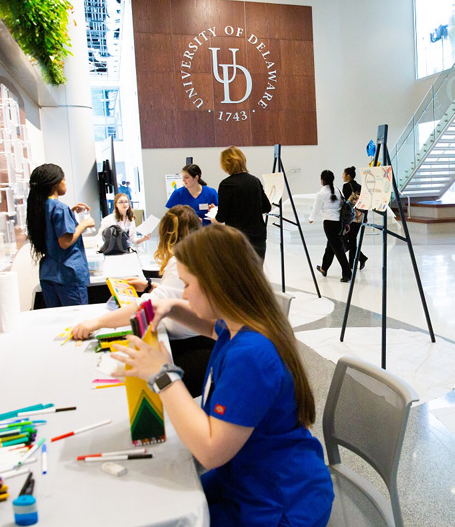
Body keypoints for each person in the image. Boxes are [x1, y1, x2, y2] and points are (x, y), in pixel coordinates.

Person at [111, 225, 334, 526]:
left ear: (216, 285)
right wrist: (172, 307)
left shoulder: (251, 355)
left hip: (277, 504)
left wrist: (163, 376)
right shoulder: (241, 325)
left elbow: (210, 452)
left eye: (188, 285)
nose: (185, 293)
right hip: (249, 478)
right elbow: (208, 327)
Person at [72, 205, 210, 397]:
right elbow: (172, 295)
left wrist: (97, 323)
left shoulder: (181, 260)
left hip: (192, 347)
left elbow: (151, 306)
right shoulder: (197, 256)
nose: (186, 295)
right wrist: (148, 287)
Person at [26, 164, 95, 307]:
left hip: (49, 273)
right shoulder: (59, 208)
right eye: (64, 180)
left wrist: (70, 212)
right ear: (55, 183)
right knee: (77, 320)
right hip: (67, 274)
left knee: (58, 320)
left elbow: (51, 229)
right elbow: (65, 242)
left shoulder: (39, 206)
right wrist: (84, 224)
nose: (65, 183)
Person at [214, 147, 271, 261]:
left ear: (225, 165)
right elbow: (266, 207)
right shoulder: (255, 181)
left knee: (239, 275)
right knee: (255, 274)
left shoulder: (226, 185)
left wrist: (213, 219)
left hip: (236, 239)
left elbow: (221, 217)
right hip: (257, 237)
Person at [310, 170, 352, 282]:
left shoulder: (321, 194)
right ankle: (324, 268)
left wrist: (311, 218)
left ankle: (347, 273)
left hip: (329, 223)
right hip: (338, 222)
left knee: (337, 248)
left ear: (322, 180)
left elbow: (316, 208)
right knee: (331, 247)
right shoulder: (338, 191)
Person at [341, 166, 367, 270]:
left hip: (350, 217)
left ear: (348, 176)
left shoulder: (346, 186)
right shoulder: (361, 187)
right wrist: (365, 217)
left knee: (347, 239)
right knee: (352, 239)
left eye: (343, 174)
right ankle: (358, 259)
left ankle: (355, 262)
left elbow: (346, 202)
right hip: (360, 217)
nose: (342, 176)